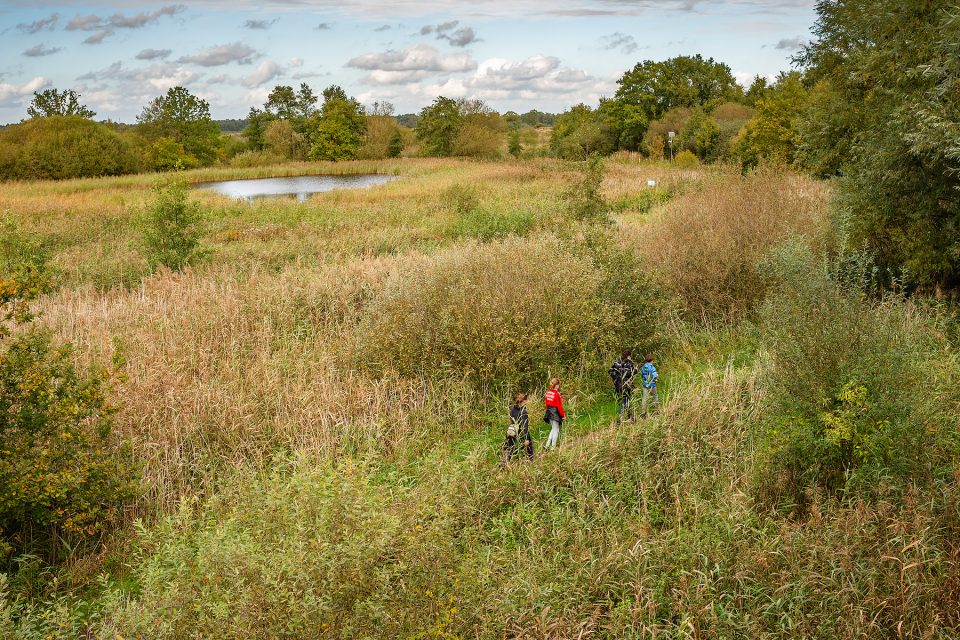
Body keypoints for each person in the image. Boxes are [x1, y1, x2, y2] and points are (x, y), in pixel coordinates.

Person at [501, 393, 533, 466]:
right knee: (529, 444)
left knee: (509, 446)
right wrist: (526, 438)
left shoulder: (512, 409)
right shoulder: (524, 412)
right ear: (524, 401)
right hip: (520, 431)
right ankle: (529, 460)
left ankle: (504, 461)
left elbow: (512, 420)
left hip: (512, 430)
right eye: (526, 400)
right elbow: (525, 426)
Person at [609, 350, 637, 423]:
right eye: (630, 356)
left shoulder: (617, 362)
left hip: (618, 385)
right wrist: (636, 369)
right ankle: (619, 418)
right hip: (627, 385)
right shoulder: (629, 363)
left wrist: (616, 380)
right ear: (628, 356)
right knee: (625, 401)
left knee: (627, 399)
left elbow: (610, 371)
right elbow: (630, 373)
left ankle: (631, 417)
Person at [543, 378, 565, 450]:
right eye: (558, 385)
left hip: (548, 411)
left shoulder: (548, 392)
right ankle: (553, 447)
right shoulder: (557, 394)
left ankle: (547, 445)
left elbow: (546, 403)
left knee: (553, 428)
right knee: (556, 430)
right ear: (557, 385)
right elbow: (559, 406)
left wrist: (548, 410)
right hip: (555, 412)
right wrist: (563, 415)